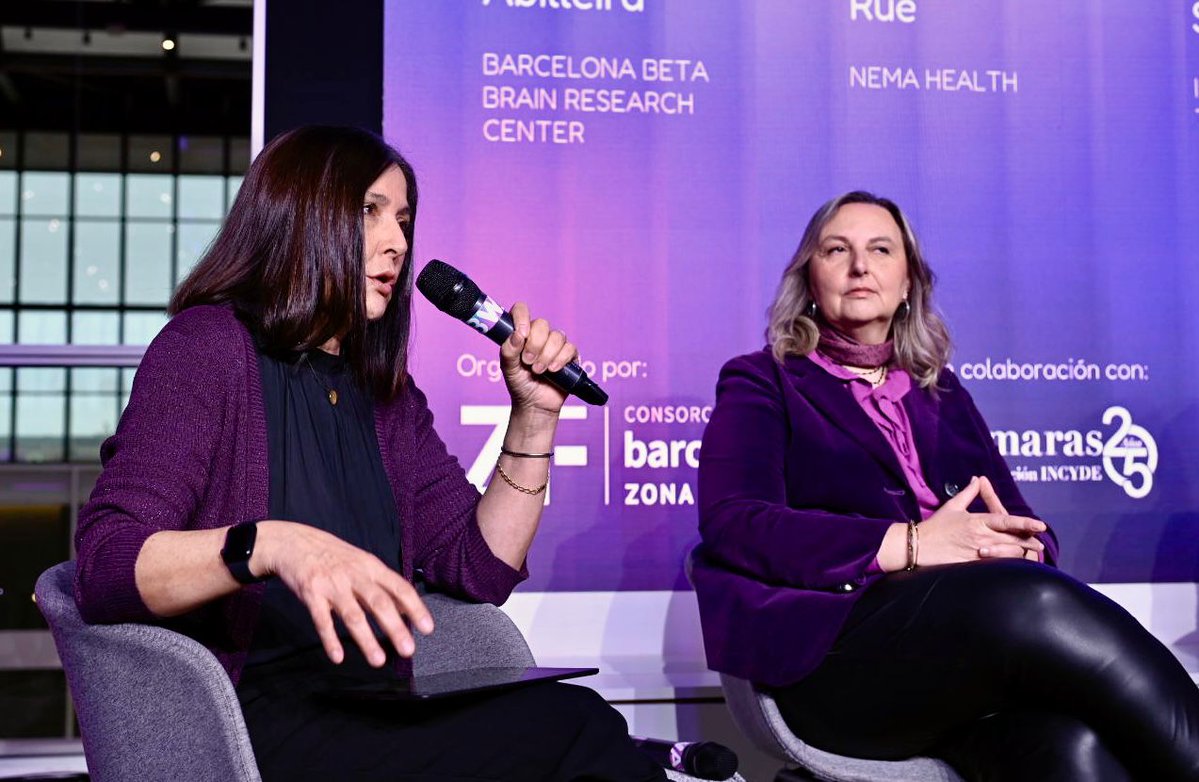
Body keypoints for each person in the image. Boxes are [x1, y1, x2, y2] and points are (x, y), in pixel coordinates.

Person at [73, 126, 665, 782]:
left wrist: (534, 416)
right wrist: (271, 544)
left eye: (404, 220)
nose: (398, 243)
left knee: (574, 721)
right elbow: (105, 565)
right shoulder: (206, 348)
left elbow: (481, 568)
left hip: (376, 709)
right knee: (576, 729)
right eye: (369, 212)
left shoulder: (386, 395)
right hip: (248, 724)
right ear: (299, 216)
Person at [691, 191, 1199, 781]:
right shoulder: (764, 381)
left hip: (963, 658)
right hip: (835, 660)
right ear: (809, 277)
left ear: (907, 282)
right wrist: (913, 543)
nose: (860, 266)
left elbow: (1027, 525)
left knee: (1070, 747)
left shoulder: (942, 392)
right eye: (837, 250)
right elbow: (735, 522)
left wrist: (1018, 548)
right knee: (1032, 602)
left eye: (881, 250)